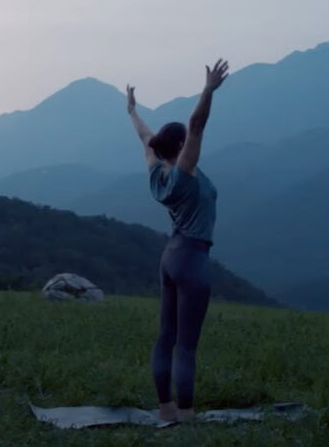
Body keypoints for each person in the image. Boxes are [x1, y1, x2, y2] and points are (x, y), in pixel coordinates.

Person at [125, 58, 229, 424]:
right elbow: (197, 124)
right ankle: (185, 414)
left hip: (170, 256)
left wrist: (132, 111)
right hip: (193, 258)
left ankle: (165, 408)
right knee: (186, 345)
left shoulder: (157, 173)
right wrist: (208, 90)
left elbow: (144, 137)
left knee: (165, 336)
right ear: (182, 147)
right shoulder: (184, 175)